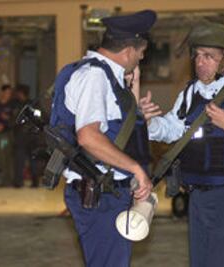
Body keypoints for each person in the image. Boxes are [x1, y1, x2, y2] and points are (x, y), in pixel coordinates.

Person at [140, 22, 224, 267]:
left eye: (209, 56)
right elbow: (175, 128)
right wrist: (149, 124)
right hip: (198, 195)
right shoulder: (192, 91)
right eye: (198, 56)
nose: (200, 62)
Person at [50, 10, 156, 267]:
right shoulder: (94, 77)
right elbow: (89, 137)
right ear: (129, 50)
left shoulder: (106, 76)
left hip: (108, 192)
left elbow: (114, 130)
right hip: (100, 195)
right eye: (141, 52)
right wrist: (135, 169)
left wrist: (135, 102)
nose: (141, 58)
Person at [11, 84, 41, 188]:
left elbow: (15, 121)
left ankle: (19, 182)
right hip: (32, 136)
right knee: (32, 160)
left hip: (23, 137)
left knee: (20, 160)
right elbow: (42, 118)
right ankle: (34, 182)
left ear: (20, 93)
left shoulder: (19, 106)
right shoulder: (34, 104)